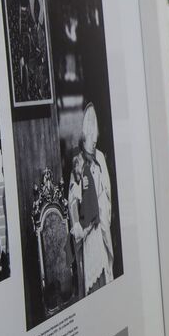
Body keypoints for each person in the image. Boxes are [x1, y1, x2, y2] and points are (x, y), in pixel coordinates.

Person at [68, 103, 114, 297]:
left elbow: (107, 191)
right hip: (88, 229)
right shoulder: (78, 162)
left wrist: (104, 214)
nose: (94, 141)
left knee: (105, 267)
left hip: (102, 223)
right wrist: (78, 224)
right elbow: (73, 199)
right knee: (91, 275)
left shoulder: (101, 158)